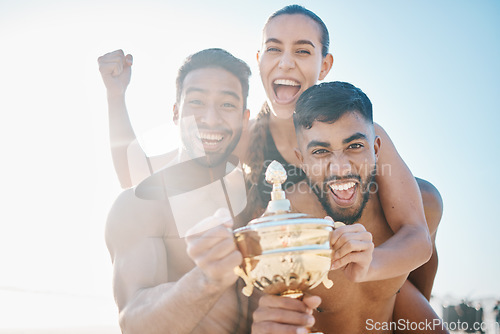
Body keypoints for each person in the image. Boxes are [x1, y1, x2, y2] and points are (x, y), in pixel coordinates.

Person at [99, 3, 442, 329]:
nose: (287, 63)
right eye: (275, 50)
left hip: (369, 275)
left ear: (324, 65)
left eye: (303, 51)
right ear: (260, 59)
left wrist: (377, 270)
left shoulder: (357, 131)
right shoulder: (246, 136)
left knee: (426, 197)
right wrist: (116, 97)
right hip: (290, 285)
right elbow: (140, 178)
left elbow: (415, 229)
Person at [251, 81, 447, 334]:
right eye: (321, 151)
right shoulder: (287, 223)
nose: (340, 168)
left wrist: (371, 264)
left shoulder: (417, 209)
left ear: (376, 149)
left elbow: (420, 243)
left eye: (354, 146)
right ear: (302, 160)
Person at [104, 48, 254, 334]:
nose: (210, 119)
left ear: (244, 118)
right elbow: (134, 321)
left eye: (227, 105)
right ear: (176, 112)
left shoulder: (257, 196)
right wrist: (207, 280)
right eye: (197, 102)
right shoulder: (140, 206)